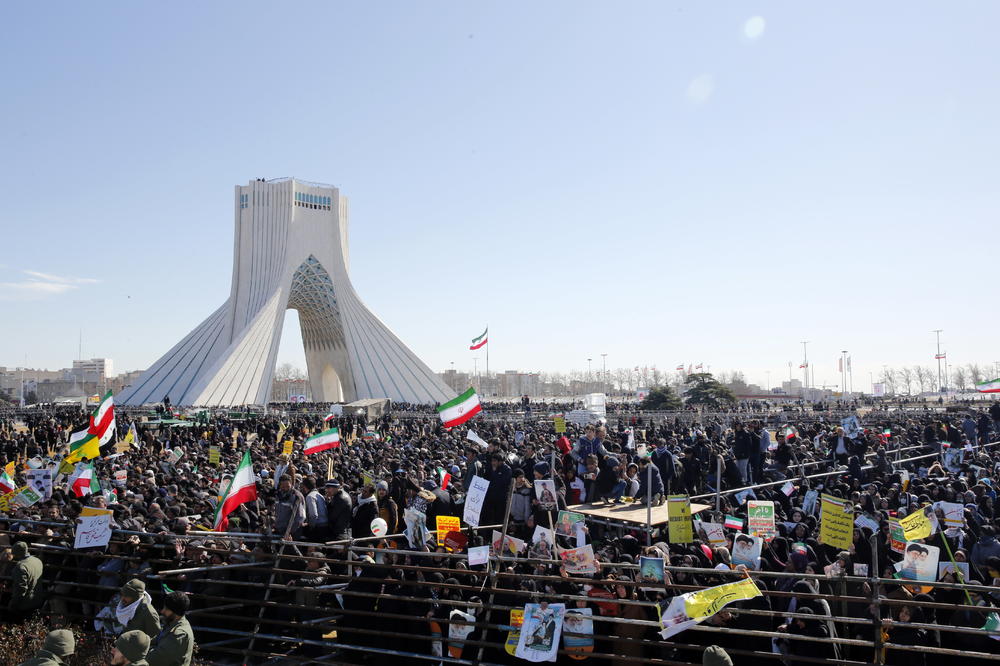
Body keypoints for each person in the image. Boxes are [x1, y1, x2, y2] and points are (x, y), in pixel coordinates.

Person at [147, 592, 195, 666]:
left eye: (166, 609)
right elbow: (154, 641)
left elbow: (156, 659)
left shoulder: (179, 634)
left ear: (175, 612)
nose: (162, 611)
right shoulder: (171, 623)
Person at [8, 541, 44, 620]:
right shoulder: (38, 561)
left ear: (16, 553)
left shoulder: (21, 567)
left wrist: (13, 604)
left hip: (24, 604)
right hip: (37, 600)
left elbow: (20, 589)